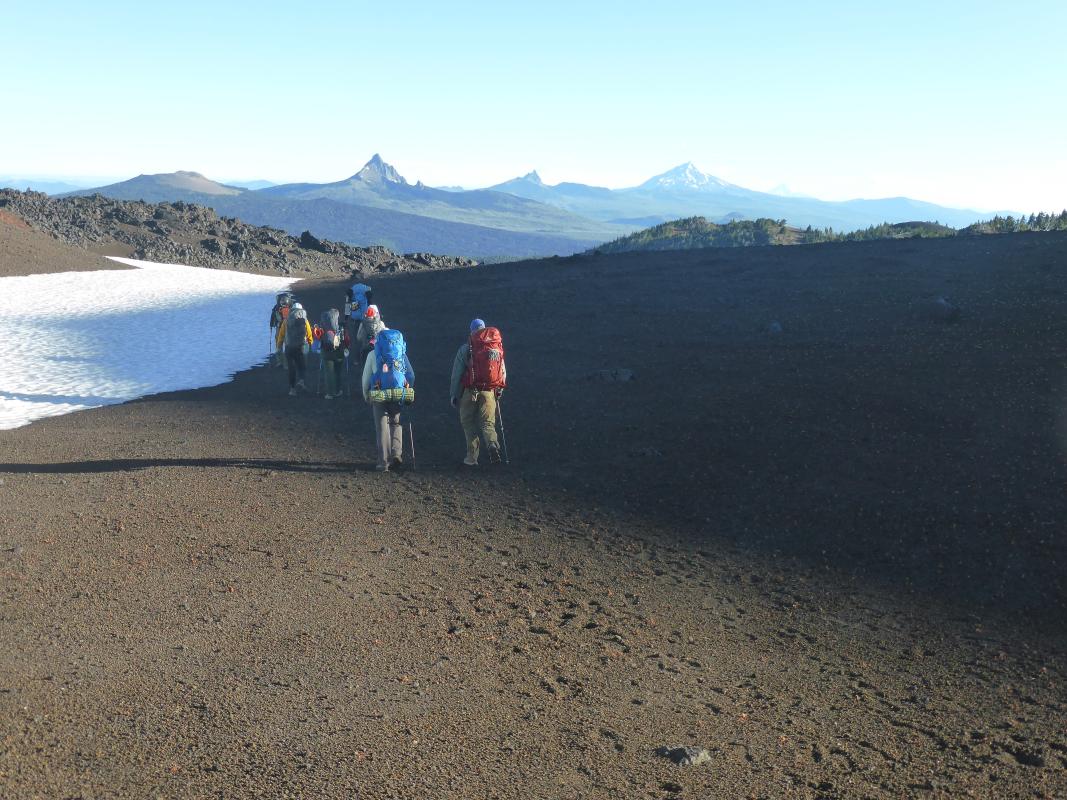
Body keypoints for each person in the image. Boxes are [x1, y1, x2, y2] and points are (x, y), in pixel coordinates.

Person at [449, 318, 506, 466]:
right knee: (488, 423)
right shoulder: (495, 346)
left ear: (471, 330)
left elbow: (457, 374)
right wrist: (499, 390)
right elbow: (502, 371)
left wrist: (454, 394)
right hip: (489, 391)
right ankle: (492, 444)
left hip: (470, 391)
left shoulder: (466, 348)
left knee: (468, 422)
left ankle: (472, 457)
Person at [362, 328, 414, 471]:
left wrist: (366, 395)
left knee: (382, 427)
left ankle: (383, 462)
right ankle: (396, 454)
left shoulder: (372, 355)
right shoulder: (401, 354)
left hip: (378, 393)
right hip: (398, 393)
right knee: (395, 423)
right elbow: (411, 375)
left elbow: (366, 378)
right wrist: (406, 390)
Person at [276, 302, 313, 396]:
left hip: (289, 347)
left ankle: (292, 390)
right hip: (301, 347)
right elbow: (309, 333)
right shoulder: (304, 319)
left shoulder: (286, 320)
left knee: (291, 368)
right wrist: (310, 343)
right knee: (302, 365)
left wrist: (279, 346)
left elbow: (281, 335)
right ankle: (301, 381)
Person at [314, 308, 351, 399]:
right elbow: (347, 340)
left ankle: (330, 393)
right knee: (338, 372)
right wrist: (346, 348)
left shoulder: (322, 328)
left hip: (326, 353)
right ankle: (338, 391)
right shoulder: (341, 327)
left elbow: (317, 340)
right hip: (339, 353)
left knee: (329, 373)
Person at [269, 291, 293, 367]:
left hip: (279, 328)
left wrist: (271, 325)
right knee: (287, 345)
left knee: (278, 345)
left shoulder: (276, 308)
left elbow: (272, 317)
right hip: (287, 328)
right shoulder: (290, 307)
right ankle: (287, 363)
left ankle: (280, 361)